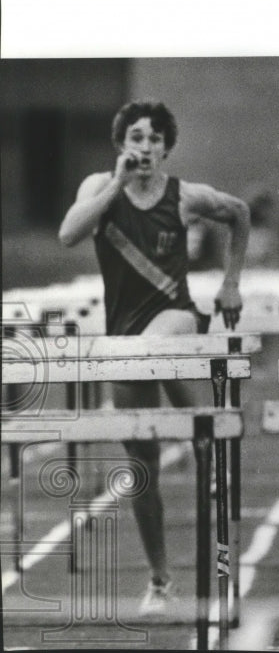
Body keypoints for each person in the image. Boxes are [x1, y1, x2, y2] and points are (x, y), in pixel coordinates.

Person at [58, 101, 249, 614]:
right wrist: (115, 187)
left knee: (158, 348)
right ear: (122, 144)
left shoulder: (185, 196)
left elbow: (239, 214)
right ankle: (161, 578)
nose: (143, 147)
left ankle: (198, 431)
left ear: (165, 146)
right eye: (135, 138)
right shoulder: (99, 187)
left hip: (176, 317)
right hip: (123, 334)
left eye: (152, 139)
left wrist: (231, 284)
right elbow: (69, 234)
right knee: (141, 466)